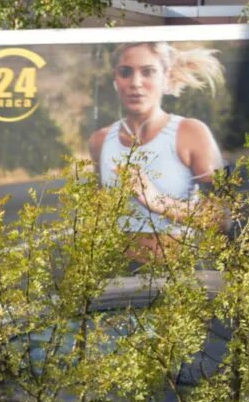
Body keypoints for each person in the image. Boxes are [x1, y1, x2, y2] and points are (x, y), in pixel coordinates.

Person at [89, 41, 225, 263]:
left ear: (166, 76)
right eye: (125, 72)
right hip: (117, 278)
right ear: (116, 78)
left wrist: (156, 200)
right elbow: (97, 213)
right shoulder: (100, 141)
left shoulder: (190, 133)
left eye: (148, 72)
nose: (136, 83)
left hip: (178, 276)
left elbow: (221, 219)